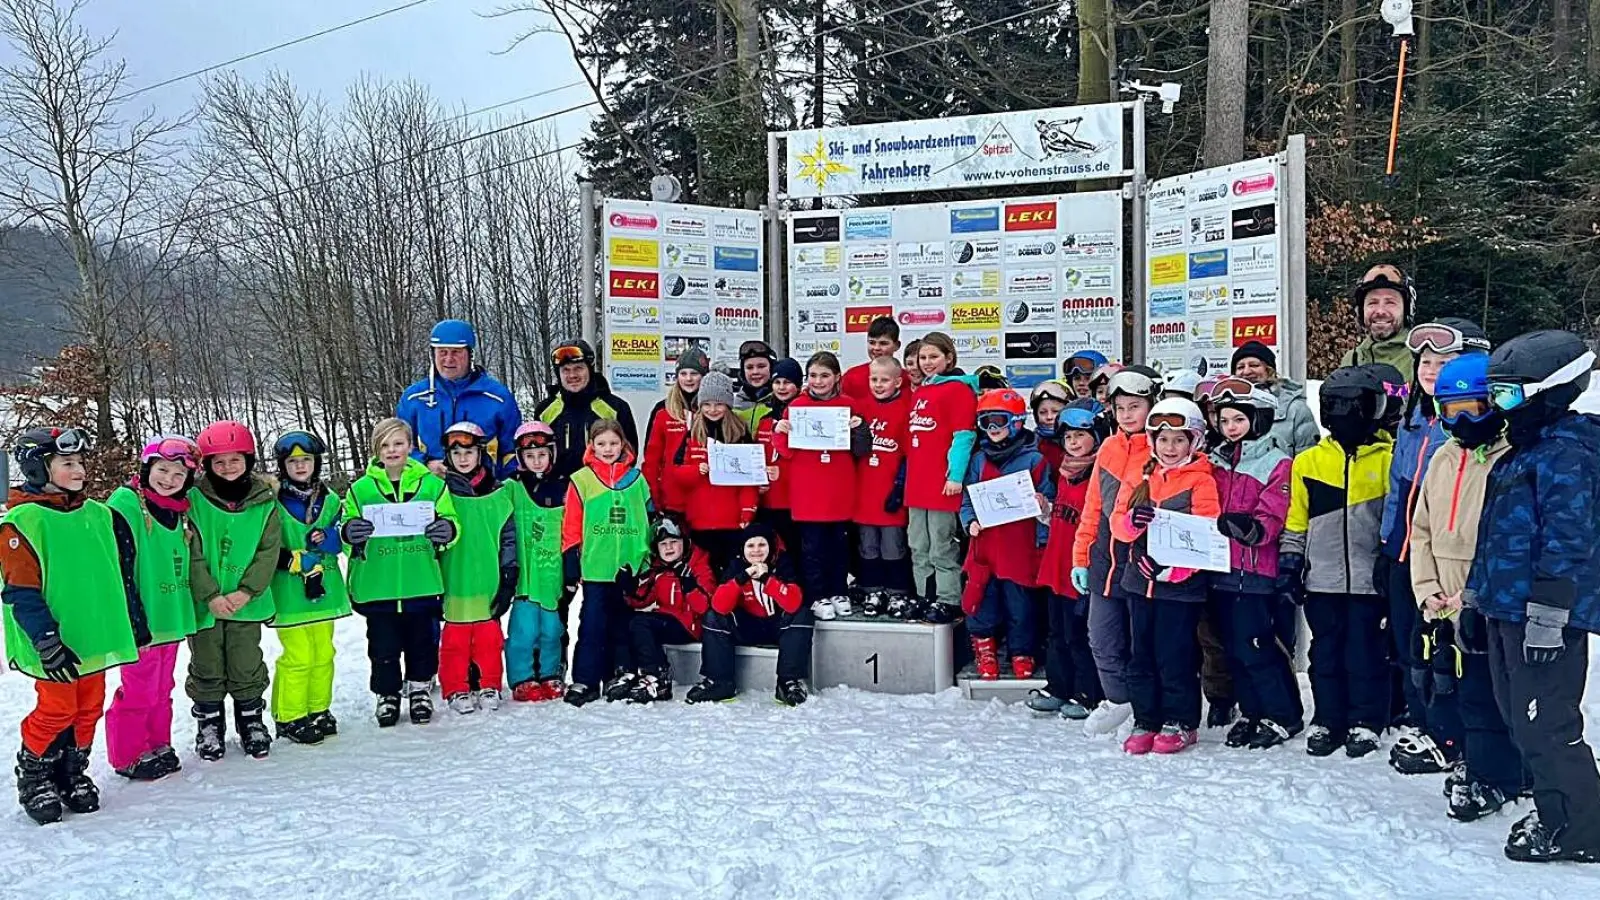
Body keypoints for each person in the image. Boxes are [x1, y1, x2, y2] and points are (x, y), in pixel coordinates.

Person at [1471, 330, 1600, 863]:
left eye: (1507, 396)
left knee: (1546, 722)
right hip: (1506, 610)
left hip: (1543, 616)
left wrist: (1549, 615)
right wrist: (1477, 600)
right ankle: (1556, 806)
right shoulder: (1521, 454)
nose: (1499, 410)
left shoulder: (1566, 455)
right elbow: (1497, 538)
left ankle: (1581, 829)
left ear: (1547, 392)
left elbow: (1569, 540)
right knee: (1518, 715)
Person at [4, 427, 146, 825]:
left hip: (95, 638)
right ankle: (35, 774)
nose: (79, 469)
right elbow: (21, 589)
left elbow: (120, 576)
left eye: (80, 462)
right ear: (38, 468)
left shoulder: (100, 515)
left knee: (88, 708)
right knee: (56, 708)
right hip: (53, 640)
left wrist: (135, 622)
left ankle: (71, 770)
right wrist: (46, 640)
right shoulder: (23, 521)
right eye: (67, 463)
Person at [1409, 353, 1522, 823]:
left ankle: (1499, 774)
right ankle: (1481, 764)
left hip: (1485, 598)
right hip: (1444, 597)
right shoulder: (1441, 457)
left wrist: (1472, 592)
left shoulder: (1511, 456)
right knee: (1457, 685)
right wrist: (1426, 588)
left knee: (1493, 691)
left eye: (1471, 409)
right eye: (1449, 412)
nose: (1460, 422)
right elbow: (1423, 530)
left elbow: (1505, 539)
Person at [1379, 319, 1490, 777]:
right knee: (1414, 644)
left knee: (1455, 650)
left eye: (1443, 363)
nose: (1431, 369)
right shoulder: (1414, 417)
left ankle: (1461, 734)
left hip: (1450, 553)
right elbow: (1396, 486)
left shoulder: (1464, 419)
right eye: (1425, 361)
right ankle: (1427, 723)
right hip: (1407, 550)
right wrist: (1387, 543)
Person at [1281, 367, 1394, 759]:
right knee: (1325, 653)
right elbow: (1297, 517)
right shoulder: (1309, 462)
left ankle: (1366, 719)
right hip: (1323, 577)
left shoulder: (1388, 460)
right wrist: (1291, 561)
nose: (1348, 415)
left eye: (1358, 406)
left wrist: (1390, 561)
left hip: (1369, 578)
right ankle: (1328, 718)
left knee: (1365, 651)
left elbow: (1395, 519)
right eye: (1339, 407)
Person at [1112, 399, 1220, 755]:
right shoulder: (1138, 474)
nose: (1170, 448)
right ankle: (1147, 718)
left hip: (1180, 588)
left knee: (1174, 655)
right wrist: (1131, 523)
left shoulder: (1201, 481)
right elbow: (1117, 524)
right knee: (1140, 653)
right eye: (1163, 440)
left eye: (1178, 440)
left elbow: (1207, 534)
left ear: (1194, 442)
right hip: (1138, 583)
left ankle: (1181, 721)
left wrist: (1174, 569)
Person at [341, 417, 460, 728]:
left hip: (420, 579)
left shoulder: (432, 485)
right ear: (376, 450)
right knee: (382, 646)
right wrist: (349, 532)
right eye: (385, 445)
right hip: (377, 584)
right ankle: (387, 694)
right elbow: (346, 526)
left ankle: (420, 689)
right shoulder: (360, 489)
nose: (392, 450)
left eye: (398, 443)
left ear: (410, 446)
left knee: (422, 642)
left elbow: (451, 521)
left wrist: (446, 529)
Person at [1204, 385, 1303, 750]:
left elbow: (1276, 509)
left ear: (1259, 419)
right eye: (1225, 420)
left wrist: (1255, 528)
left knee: (1257, 645)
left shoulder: (1276, 462)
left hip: (1255, 569)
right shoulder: (1214, 460)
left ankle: (1283, 714)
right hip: (1220, 570)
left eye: (1239, 420)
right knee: (1232, 648)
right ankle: (1252, 710)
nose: (1230, 427)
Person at [103, 436, 202, 780]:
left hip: (169, 615)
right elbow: (118, 564)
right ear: (147, 469)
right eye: (162, 470)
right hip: (142, 617)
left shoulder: (180, 511)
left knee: (162, 687)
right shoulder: (128, 502)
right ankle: (128, 754)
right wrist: (132, 617)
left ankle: (157, 743)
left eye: (178, 475)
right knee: (138, 688)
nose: (169, 480)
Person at [1070, 366, 1162, 737]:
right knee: (1101, 636)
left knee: (1144, 642)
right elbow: (1092, 506)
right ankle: (1117, 698)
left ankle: (1147, 709)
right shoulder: (1108, 446)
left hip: (1141, 563)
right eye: (1120, 407)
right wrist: (1081, 556)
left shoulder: (1162, 447)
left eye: (1135, 406)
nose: (1126, 414)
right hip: (1104, 561)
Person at [187, 420, 282, 761]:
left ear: (248, 461)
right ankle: (209, 722)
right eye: (219, 462)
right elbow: (191, 551)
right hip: (207, 602)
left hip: (246, 601)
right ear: (208, 466)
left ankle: (250, 718)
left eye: (235, 460)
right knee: (207, 661)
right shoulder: (194, 500)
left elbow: (268, 550)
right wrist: (210, 594)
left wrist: (247, 591)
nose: (227, 468)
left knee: (245, 661)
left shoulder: (264, 501)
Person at [959, 389, 1055, 680]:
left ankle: (1021, 651)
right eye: (985, 422)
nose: (992, 429)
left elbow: (1048, 500)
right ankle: (985, 648)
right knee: (982, 600)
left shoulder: (1035, 460)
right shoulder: (978, 460)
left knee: (1020, 604)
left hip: (1019, 547)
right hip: (985, 546)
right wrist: (969, 520)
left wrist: (1043, 516)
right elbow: (967, 499)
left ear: (1016, 422)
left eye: (998, 421)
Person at [560, 419, 652, 707]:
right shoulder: (582, 480)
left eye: (614, 443)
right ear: (592, 446)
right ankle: (586, 679)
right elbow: (572, 524)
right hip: (596, 567)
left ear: (623, 444)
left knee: (623, 622)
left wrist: (645, 562)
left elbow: (649, 520)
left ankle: (620, 673)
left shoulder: (637, 479)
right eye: (601, 444)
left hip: (629, 567)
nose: (608, 449)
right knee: (592, 624)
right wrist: (571, 559)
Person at [267, 431, 350, 746]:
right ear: (283, 465)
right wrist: (291, 560)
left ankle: (318, 708)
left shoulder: (330, 500)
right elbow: (262, 546)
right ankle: (289, 715)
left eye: (306, 460)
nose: (300, 466)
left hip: (323, 588)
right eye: (293, 461)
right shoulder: (273, 502)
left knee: (323, 651)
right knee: (299, 655)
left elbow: (344, 534)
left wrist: (330, 539)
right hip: (290, 591)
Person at [775, 351, 870, 620]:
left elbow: (862, 450)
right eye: (814, 375)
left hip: (839, 489)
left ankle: (838, 590)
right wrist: (781, 431)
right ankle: (817, 595)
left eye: (825, 375)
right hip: (808, 491)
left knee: (839, 546)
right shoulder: (796, 406)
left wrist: (859, 427)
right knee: (812, 548)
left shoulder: (849, 404)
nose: (818, 381)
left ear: (837, 377)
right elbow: (785, 451)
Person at [1032, 399, 1109, 720]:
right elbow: (1063, 517)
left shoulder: (1100, 474)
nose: (1073, 443)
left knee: (1080, 633)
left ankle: (1087, 691)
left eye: (1080, 435)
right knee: (1056, 631)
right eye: (1068, 438)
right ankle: (1058, 685)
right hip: (1056, 563)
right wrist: (1045, 512)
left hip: (1081, 566)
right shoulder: (1064, 471)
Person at [438, 423, 518, 715]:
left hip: (488, 580)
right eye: (456, 452)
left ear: (480, 453)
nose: (462, 458)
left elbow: (508, 537)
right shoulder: (440, 493)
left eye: (469, 451)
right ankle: (456, 687)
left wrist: (509, 575)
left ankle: (490, 685)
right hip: (454, 580)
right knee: (455, 642)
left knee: (488, 639)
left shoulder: (499, 493)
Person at [688, 521, 809, 706]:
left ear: (770, 546)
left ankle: (788, 682)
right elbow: (719, 605)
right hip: (747, 626)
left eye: (762, 545)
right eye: (750, 545)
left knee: (802, 614)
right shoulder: (736, 566)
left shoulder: (782, 562)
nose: (756, 551)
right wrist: (740, 579)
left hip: (778, 626)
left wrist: (768, 579)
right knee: (714, 617)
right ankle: (719, 682)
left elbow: (793, 602)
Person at [903, 332, 979, 623]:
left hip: (942, 484)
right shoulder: (920, 391)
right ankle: (926, 595)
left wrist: (955, 475)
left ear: (949, 358)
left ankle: (948, 599)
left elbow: (963, 436)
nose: (927, 363)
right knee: (917, 544)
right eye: (923, 357)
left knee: (941, 544)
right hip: (917, 483)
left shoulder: (958, 391)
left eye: (934, 356)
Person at [397, 319, 523, 477]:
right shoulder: (413, 398)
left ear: (470, 354)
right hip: (431, 489)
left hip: (483, 493)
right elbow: (398, 447)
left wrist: (500, 483)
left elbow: (513, 452)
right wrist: (425, 465)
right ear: (433, 354)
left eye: (456, 352)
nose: (449, 359)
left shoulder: (497, 398)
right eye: (442, 352)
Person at [669, 371, 759, 572]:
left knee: (731, 572)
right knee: (704, 571)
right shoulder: (692, 434)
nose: (712, 410)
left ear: (728, 405)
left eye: (718, 404)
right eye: (707, 404)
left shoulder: (740, 433)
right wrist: (696, 471)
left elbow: (750, 480)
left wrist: (747, 511)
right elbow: (676, 473)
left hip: (732, 520)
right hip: (700, 520)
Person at [506, 422, 569, 702]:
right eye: (529, 456)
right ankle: (522, 677)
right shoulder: (511, 488)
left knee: (552, 629)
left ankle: (550, 673)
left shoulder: (566, 487)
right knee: (524, 629)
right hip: (525, 573)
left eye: (542, 454)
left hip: (552, 572)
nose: (536, 461)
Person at [624, 516, 714, 703]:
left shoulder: (698, 565)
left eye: (674, 542)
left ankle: (657, 676)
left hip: (690, 624)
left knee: (642, 624)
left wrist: (689, 585)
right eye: (663, 544)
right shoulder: (660, 568)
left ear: (684, 543)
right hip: (668, 619)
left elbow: (705, 607)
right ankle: (627, 671)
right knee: (629, 620)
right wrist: (628, 588)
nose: (669, 548)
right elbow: (642, 599)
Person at [854, 356, 914, 616]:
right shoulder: (861, 408)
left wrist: (900, 486)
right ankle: (873, 590)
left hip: (890, 493)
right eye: (874, 379)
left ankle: (897, 593)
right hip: (864, 493)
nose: (878, 385)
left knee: (892, 546)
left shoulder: (905, 407)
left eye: (885, 380)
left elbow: (908, 455)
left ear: (898, 382)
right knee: (868, 546)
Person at [534, 338, 639, 479]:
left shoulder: (616, 407)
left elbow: (629, 454)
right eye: (566, 370)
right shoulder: (545, 410)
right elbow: (536, 455)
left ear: (589, 369)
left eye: (578, 368)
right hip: (559, 495)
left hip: (602, 492)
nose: (572, 375)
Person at [642, 347, 707, 518]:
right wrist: (653, 498)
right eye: (683, 373)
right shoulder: (663, 410)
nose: (688, 379)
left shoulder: (713, 409)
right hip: (671, 500)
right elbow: (651, 460)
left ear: (704, 376)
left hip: (705, 499)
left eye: (694, 373)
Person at [1231, 341, 1319, 456]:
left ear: (1269, 370)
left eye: (1254, 365)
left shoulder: (1295, 409)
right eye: (1240, 367)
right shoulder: (1224, 407)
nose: (1246, 371)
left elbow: (1308, 461)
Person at [754, 357, 803, 555]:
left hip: (795, 501)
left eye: (788, 382)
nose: (782, 387)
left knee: (796, 552)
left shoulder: (803, 417)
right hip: (768, 501)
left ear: (798, 385)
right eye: (777, 382)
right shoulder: (765, 420)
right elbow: (758, 455)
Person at [1340, 264, 1417, 380]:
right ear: (1361, 310)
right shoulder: (1352, 359)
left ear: (1407, 309)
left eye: (1390, 302)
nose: (1380, 311)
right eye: (1372, 303)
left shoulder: (1422, 359)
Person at [842, 316, 911, 399]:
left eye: (883, 343)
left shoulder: (909, 379)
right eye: (872, 342)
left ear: (897, 345)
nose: (876, 348)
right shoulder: (851, 377)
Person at [733, 339, 778, 428]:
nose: (755, 372)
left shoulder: (781, 400)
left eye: (761, 366)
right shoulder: (734, 404)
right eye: (749, 367)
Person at [1030, 380, 1072, 471]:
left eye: (1055, 411)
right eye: (1043, 412)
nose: (1049, 417)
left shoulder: (1081, 442)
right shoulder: (1030, 445)